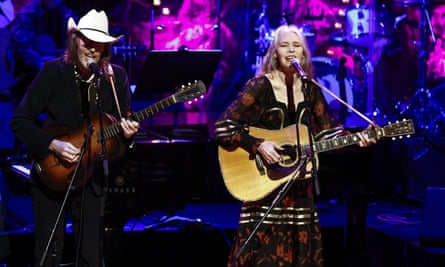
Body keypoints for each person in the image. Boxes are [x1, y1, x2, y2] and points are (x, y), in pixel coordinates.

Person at [214, 24, 377, 267]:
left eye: (296, 45)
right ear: (274, 52)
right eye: (284, 45)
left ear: (304, 54)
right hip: (265, 192)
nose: (291, 50)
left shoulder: (312, 89)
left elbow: (326, 135)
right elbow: (223, 128)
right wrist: (258, 145)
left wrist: (358, 140)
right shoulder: (260, 86)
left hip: (301, 194)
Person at [9, 9, 140, 267]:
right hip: (52, 172)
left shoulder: (116, 78)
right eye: (86, 41)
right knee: (49, 255)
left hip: (93, 176)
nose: (92, 49)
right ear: (74, 40)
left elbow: (122, 130)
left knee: (91, 256)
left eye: (98, 43)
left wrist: (128, 135)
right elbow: (20, 121)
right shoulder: (52, 72)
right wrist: (52, 144)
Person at [7, 0, 77, 108]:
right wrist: (47, 68)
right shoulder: (27, 14)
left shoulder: (68, 15)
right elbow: (23, 51)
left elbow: (75, 47)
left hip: (56, 66)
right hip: (25, 71)